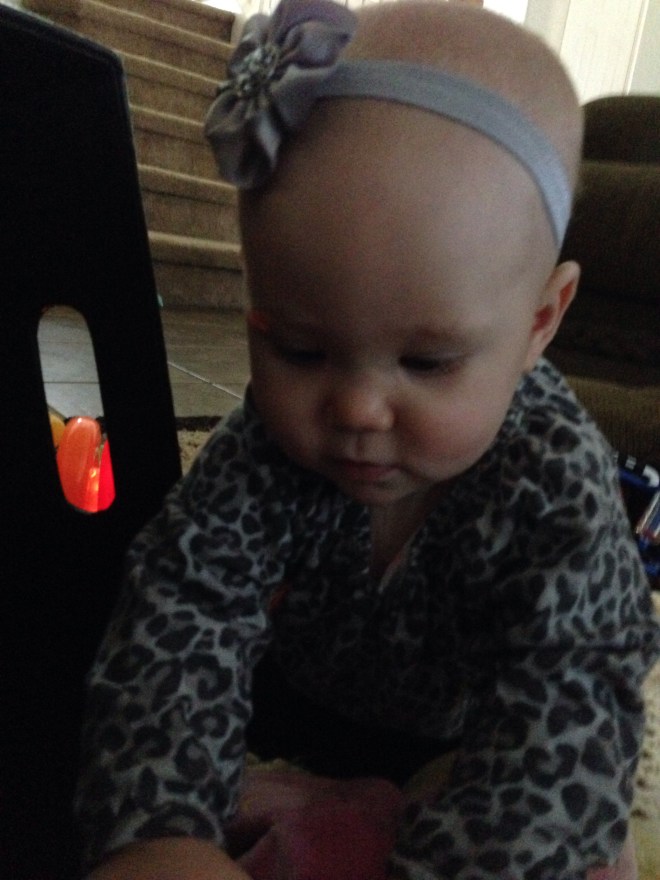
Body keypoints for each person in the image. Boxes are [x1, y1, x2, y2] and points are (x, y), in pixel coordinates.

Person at [76, 1, 660, 878]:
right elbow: (184, 604)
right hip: (284, 711)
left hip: (467, 743)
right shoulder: (261, 448)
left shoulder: (554, 478)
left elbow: (573, 698)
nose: (356, 409)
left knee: (584, 836)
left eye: (427, 362)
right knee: (100, 731)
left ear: (540, 322)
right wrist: (159, 824)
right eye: (297, 348)